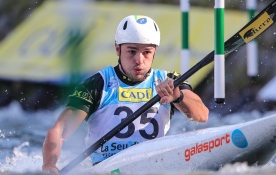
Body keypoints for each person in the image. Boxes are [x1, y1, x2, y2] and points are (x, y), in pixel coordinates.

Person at [42, 15, 209, 174]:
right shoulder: (97, 85)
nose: (139, 60)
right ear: (117, 49)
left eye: (146, 52)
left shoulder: (169, 81)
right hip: (107, 167)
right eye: (131, 52)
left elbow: (202, 115)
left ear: (154, 52)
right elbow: (59, 131)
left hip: (154, 165)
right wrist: (49, 165)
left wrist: (178, 98)